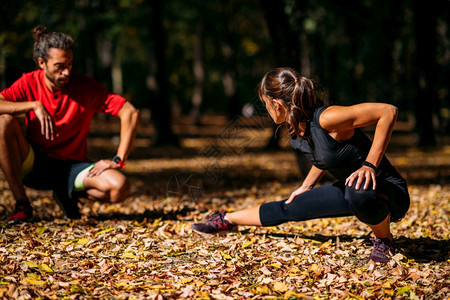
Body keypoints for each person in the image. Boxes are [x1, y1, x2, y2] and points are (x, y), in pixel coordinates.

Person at [192, 67, 410, 263]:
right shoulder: (297, 127)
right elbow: (327, 156)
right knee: (291, 206)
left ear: (276, 104)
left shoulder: (327, 118)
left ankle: (384, 240)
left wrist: (369, 165)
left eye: (265, 104)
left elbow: (387, 111)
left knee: (357, 192)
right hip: (352, 191)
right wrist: (306, 186)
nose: (267, 109)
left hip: (388, 191)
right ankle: (227, 219)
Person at [0, 25, 139, 224]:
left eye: (70, 64)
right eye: (59, 66)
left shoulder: (83, 86)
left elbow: (130, 112)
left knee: (119, 187)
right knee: (3, 121)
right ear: (42, 63)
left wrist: (118, 160)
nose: (66, 72)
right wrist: (33, 105)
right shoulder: (28, 82)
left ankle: (67, 195)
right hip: (34, 163)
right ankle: (22, 204)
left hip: (73, 167)